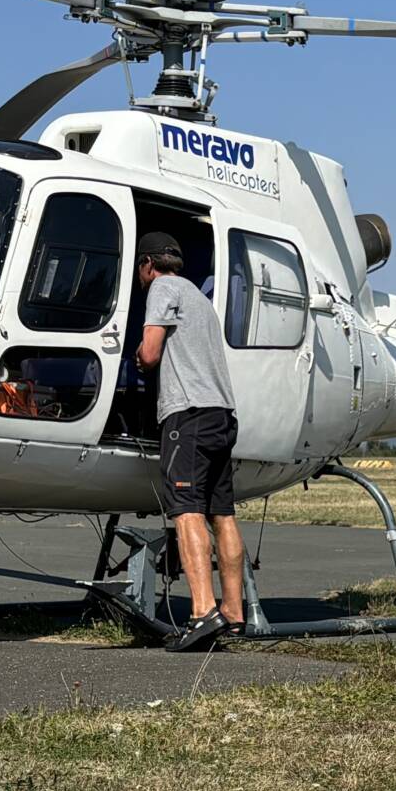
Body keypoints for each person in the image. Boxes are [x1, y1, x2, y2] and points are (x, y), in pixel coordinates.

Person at [133, 230, 246, 650]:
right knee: (223, 515)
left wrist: (138, 359)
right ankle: (233, 613)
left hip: (188, 415)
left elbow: (150, 353)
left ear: (148, 264)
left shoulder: (162, 289)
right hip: (221, 414)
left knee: (186, 511)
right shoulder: (200, 298)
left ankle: (202, 612)